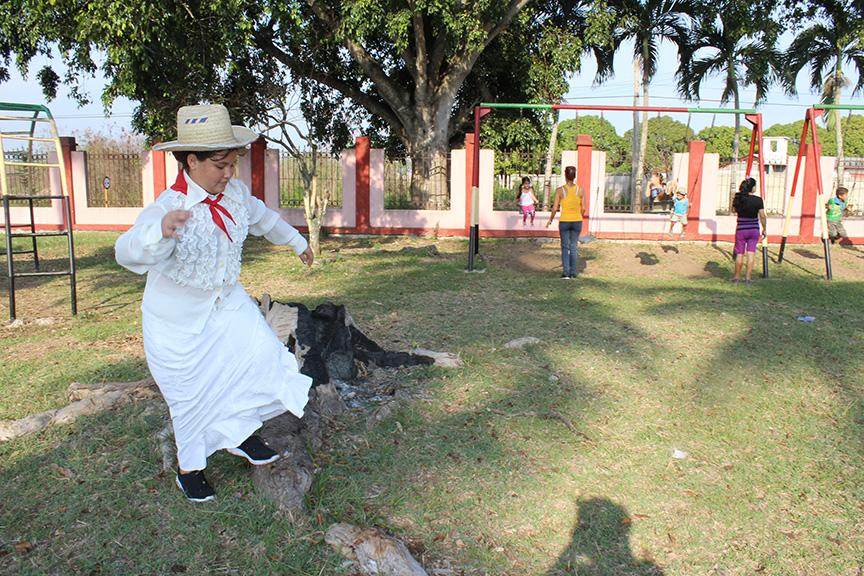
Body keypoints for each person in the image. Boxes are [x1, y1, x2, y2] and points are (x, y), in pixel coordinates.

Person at [115, 104, 315, 502]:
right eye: (220, 165)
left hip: (226, 303)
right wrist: (160, 230)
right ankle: (189, 469)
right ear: (192, 160)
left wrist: (298, 241)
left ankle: (238, 434)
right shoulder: (169, 206)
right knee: (189, 396)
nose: (228, 173)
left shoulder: (236, 194)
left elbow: (264, 219)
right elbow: (127, 250)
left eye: (232, 164)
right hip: (176, 321)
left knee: (262, 360)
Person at [546, 166, 585, 278]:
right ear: (574, 176)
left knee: (564, 247)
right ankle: (573, 272)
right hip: (577, 221)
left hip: (564, 221)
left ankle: (566, 273)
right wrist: (579, 217)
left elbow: (554, 208)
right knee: (573, 247)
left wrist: (550, 219)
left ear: (565, 175)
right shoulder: (581, 190)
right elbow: (584, 208)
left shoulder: (560, 190)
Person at [730, 177, 767, 283]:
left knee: (740, 253)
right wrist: (764, 229)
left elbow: (733, 210)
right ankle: (748, 278)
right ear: (753, 188)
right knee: (751, 253)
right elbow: (762, 216)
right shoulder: (758, 200)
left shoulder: (738, 198)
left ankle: (737, 276)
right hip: (754, 229)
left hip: (741, 229)